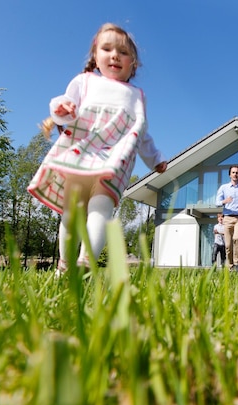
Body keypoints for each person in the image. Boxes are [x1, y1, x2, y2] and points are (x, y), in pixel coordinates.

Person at [28, 23, 167, 275]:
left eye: (123, 52)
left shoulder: (137, 95)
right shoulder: (85, 82)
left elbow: (141, 132)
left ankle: (86, 261)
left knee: (100, 209)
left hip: (114, 160)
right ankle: (65, 265)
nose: (115, 55)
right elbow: (64, 105)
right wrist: (61, 111)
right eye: (107, 48)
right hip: (80, 155)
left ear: (133, 63)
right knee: (71, 215)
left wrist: (154, 158)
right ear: (95, 55)